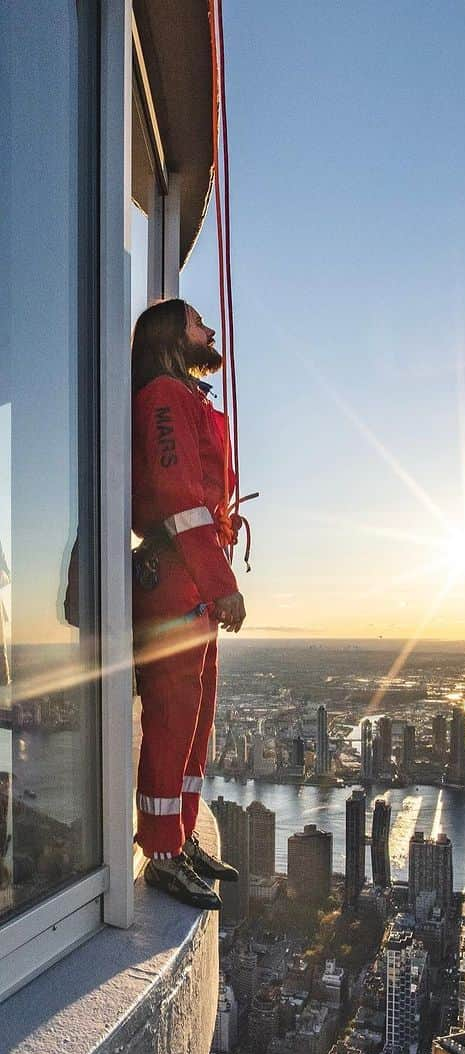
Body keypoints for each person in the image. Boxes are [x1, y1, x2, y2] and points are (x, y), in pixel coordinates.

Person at [131, 298, 246, 907]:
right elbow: (180, 501)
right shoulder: (162, 399)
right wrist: (220, 581)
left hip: (190, 578)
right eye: (199, 322)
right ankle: (161, 850)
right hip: (177, 574)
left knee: (197, 716)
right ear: (175, 336)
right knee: (172, 715)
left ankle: (181, 836)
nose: (208, 330)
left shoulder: (184, 398)